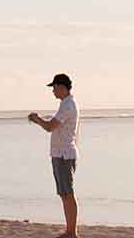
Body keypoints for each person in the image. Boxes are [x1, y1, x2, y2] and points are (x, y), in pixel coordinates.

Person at [27, 72, 80, 237]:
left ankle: (72, 232)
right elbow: (55, 123)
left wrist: (37, 120)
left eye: (54, 88)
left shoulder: (68, 105)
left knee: (68, 193)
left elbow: (50, 126)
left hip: (64, 154)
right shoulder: (66, 104)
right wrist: (42, 120)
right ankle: (69, 230)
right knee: (64, 194)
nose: (53, 91)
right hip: (60, 154)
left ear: (62, 87)